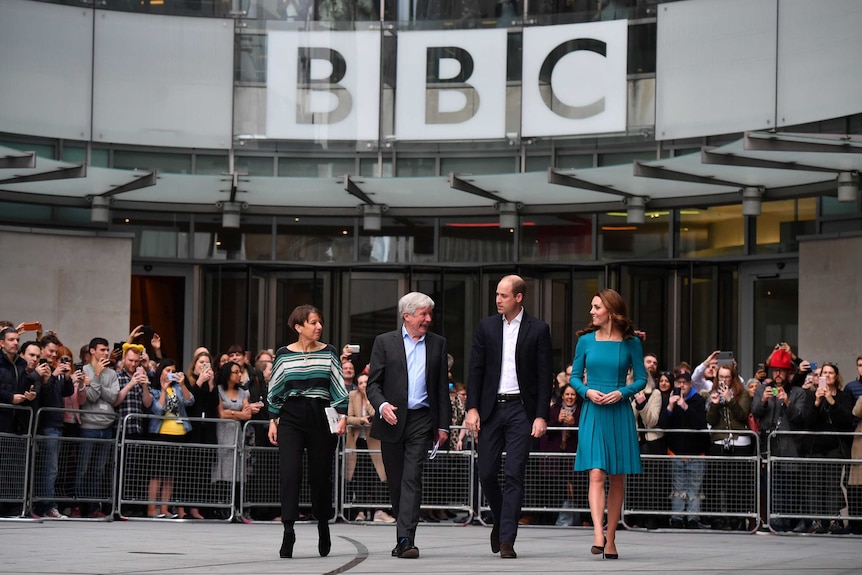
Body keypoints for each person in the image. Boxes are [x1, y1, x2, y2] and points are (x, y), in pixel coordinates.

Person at [465, 275, 552, 560]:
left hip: (520, 411)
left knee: (515, 473)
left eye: (503, 295)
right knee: (487, 472)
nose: (497, 299)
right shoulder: (487, 327)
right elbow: (475, 370)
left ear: (518, 297)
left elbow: (544, 377)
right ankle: (502, 519)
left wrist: (540, 416)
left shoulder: (538, 329)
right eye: (497, 294)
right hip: (491, 409)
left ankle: (507, 539)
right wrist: (472, 408)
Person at [366, 292, 450, 559]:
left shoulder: (438, 343)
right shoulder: (384, 342)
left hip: (421, 420)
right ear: (407, 315)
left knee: (412, 478)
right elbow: (373, 384)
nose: (428, 319)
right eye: (423, 314)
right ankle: (401, 536)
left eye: (429, 314)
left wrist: (443, 426)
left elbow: (440, 390)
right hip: (392, 419)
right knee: (397, 483)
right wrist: (382, 405)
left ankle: (406, 539)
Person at [568, 288, 646, 559]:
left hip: (619, 410)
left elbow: (641, 379)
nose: (591, 311)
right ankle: (598, 534)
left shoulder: (632, 343)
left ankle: (611, 537)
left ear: (611, 311)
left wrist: (622, 392)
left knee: (617, 476)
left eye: (596, 307)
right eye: (592, 306)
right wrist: (587, 392)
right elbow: (574, 377)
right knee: (596, 473)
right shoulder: (585, 341)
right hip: (593, 409)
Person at [267, 305, 348, 559]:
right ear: (298, 326)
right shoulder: (283, 354)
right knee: (290, 473)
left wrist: (343, 415)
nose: (318, 327)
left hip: (321, 414)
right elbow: (275, 388)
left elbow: (338, 385)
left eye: (319, 322)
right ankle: (288, 530)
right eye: (313, 322)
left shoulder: (329, 352)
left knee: (320, 476)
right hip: (290, 415)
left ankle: (323, 525)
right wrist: (273, 419)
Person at [751, 349, 810, 532]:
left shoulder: (798, 392)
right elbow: (755, 412)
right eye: (775, 370)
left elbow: (800, 417)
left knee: (788, 486)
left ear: (788, 372)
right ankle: (773, 523)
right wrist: (763, 401)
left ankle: (786, 522)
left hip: (789, 445)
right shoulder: (762, 388)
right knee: (769, 485)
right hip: (768, 443)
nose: (777, 374)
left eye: (781, 370)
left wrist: (787, 402)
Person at [801, 362, 853, 534]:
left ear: (836, 376)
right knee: (815, 484)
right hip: (815, 446)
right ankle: (817, 521)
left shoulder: (844, 396)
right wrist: (817, 402)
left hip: (834, 446)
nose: (828, 375)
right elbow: (807, 421)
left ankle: (833, 520)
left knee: (832, 485)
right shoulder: (810, 396)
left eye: (831, 373)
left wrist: (832, 401)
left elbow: (847, 420)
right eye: (825, 373)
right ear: (819, 376)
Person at [705, 364, 752, 531]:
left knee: (737, 484)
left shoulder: (743, 393)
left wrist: (731, 400)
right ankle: (718, 519)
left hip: (739, 442)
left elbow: (742, 415)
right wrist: (715, 404)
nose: (724, 380)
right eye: (721, 377)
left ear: (733, 378)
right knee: (717, 483)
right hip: (719, 442)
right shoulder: (712, 393)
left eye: (727, 376)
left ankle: (737, 518)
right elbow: (710, 420)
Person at [78, 337, 120, 518]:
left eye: (107, 350)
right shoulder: (83, 370)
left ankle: (94, 507)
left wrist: (95, 382)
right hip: (89, 426)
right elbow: (91, 397)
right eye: (102, 350)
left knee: (99, 469)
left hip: (106, 425)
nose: (105, 353)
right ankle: (77, 505)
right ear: (92, 351)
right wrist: (96, 376)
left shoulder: (112, 374)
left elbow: (113, 396)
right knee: (83, 468)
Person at [661, 370, 709, 530]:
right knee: (678, 488)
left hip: (696, 452)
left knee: (695, 488)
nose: (681, 386)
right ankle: (677, 517)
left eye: (685, 382)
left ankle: (693, 518)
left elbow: (700, 424)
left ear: (690, 384)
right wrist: (670, 406)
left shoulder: (698, 400)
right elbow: (663, 425)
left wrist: (685, 407)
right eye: (678, 382)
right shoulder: (669, 399)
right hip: (676, 452)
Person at [147, 359, 194, 519]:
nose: (170, 373)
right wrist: (162, 390)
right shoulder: (153, 389)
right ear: (160, 372)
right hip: (161, 433)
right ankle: (152, 509)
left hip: (180, 433)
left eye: (173, 370)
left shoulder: (178, 388)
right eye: (167, 370)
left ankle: (165, 508)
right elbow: (157, 410)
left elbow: (190, 401)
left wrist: (182, 385)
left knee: (170, 474)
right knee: (157, 473)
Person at [212, 361, 258, 522]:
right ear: (227, 374)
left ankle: (236, 508)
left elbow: (248, 415)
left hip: (237, 434)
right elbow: (221, 414)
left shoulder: (243, 393)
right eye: (235, 372)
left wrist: (230, 412)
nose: (239, 375)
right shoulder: (218, 391)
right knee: (222, 469)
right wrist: (236, 413)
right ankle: (222, 507)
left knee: (236, 470)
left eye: (240, 372)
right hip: (222, 433)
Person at [345, 372, 394, 523]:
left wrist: (368, 402)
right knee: (359, 477)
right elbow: (347, 417)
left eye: (366, 382)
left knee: (378, 476)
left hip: (375, 443)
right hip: (357, 443)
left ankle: (379, 511)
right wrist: (360, 420)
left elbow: (378, 414)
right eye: (360, 383)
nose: (363, 385)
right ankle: (360, 511)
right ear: (357, 385)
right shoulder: (352, 396)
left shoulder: (376, 395)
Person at [179, 350, 216, 520]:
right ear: (194, 365)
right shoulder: (187, 380)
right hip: (192, 429)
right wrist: (200, 382)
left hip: (207, 430)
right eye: (201, 362)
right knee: (189, 470)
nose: (203, 365)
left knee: (203, 470)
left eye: (206, 363)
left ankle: (196, 507)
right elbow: (191, 401)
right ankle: (184, 506)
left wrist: (211, 383)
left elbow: (214, 403)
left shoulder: (210, 383)